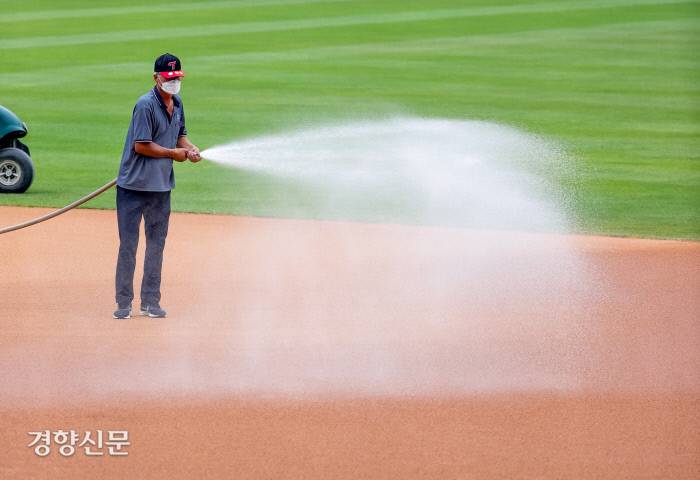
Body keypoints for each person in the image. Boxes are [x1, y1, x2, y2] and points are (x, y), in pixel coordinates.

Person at [113, 53, 200, 319]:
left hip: (161, 188)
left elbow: (181, 135)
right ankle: (124, 303)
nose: (173, 83)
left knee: (156, 245)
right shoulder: (145, 105)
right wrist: (173, 153)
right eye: (168, 78)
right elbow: (141, 145)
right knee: (129, 245)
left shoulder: (179, 103)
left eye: (177, 79)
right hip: (133, 188)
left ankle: (150, 301)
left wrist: (190, 148)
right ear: (156, 78)